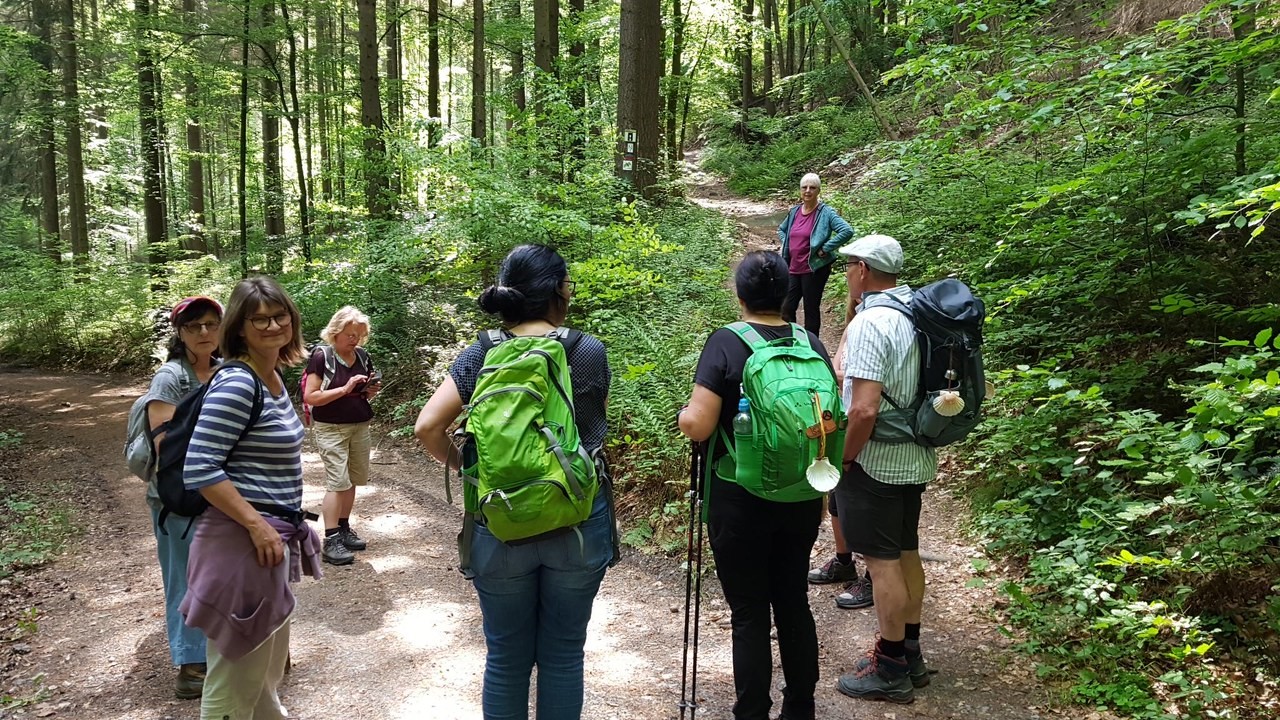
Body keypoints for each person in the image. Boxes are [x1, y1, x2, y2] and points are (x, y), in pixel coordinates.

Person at [414, 244, 613, 720]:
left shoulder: (479, 353)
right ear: (560, 291)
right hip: (577, 521)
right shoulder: (587, 350)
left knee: (505, 658)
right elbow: (591, 433)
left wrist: (472, 471)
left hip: (499, 519)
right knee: (564, 655)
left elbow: (426, 428)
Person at [678, 250, 830, 720]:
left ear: (739, 293)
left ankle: (751, 713)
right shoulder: (812, 343)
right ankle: (800, 708)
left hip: (739, 498)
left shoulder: (726, 342)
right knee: (792, 602)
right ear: (787, 293)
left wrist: (685, 415)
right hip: (803, 494)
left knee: (749, 614)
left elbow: (699, 427)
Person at [181, 276, 323, 720]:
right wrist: (257, 524)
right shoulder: (239, 383)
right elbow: (200, 466)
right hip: (242, 544)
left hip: (268, 542)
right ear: (239, 328)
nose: (271, 326)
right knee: (233, 685)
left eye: (279, 316)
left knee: (262, 680)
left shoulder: (274, 377)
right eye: (258, 319)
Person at [833, 235, 935, 704]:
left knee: (882, 562)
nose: (846, 274)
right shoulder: (917, 312)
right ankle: (909, 653)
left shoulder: (874, 322)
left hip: (876, 461)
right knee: (906, 551)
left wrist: (846, 457)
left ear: (863, 270)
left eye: (848, 265)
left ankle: (890, 665)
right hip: (913, 454)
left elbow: (864, 410)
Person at [143, 296, 222, 699]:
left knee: (217, 576)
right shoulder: (170, 378)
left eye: (211, 324)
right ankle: (191, 667)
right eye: (194, 327)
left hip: (217, 495)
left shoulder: (225, 371)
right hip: (177, 499)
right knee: (184, 578)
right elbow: (166, 449)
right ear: (180, 333)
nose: (205, 333)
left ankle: (222, 653)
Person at [809, 290, 874, 611]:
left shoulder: (879, 329)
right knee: (836, 496)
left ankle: (874, 576)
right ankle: (843, 561)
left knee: (868, 505)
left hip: (872, 431)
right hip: (845, 422)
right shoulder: (853, 326)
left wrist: (851, 378)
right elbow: (835, 369)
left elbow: (870, 385)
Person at [303, 306, 381, 566]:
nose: (354, 340)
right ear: (335, 333)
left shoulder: (362, 356)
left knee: (352, 481)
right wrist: (346, 388)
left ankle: (344, 529)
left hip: (360, 424)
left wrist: (369, 391)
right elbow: (311, 396)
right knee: (338, 482)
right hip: (331, 427)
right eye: (349, 334)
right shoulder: (322, 356)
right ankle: (330, 538)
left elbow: (361, 392)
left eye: (358, 335)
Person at [777, 172, 854, 336]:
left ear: (818, 190)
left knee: (811, 308)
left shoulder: (826, 212)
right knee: (787, 307)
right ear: (800, 190)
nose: (807, 191)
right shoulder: (795, 211)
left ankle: (811, 346)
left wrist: (826, 248)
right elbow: (782, 230)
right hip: (793, 266)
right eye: (804, 187)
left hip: (814, 268)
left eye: (812, 187)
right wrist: (787, 243)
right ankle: (791, 340)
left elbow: (846, 230)